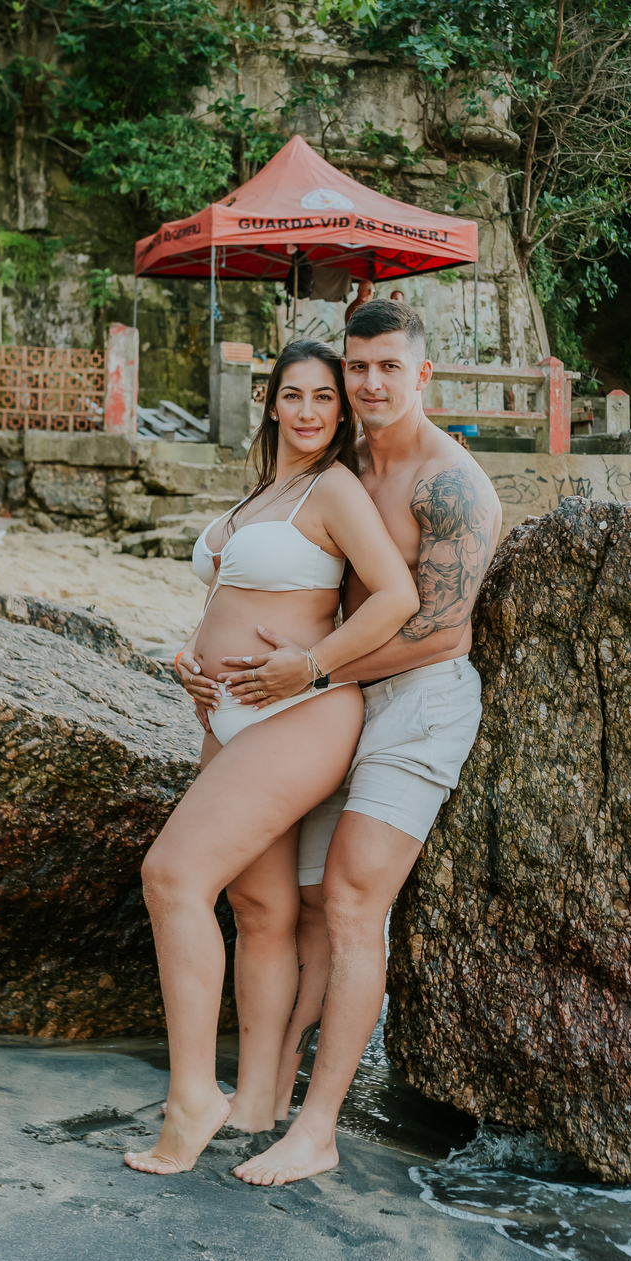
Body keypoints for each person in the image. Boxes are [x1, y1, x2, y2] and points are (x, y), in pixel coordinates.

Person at [186, 299, 501, 1185]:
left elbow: (442, 631)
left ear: (422, 375)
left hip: (416, 703)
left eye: (387, 369)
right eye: (357, 367)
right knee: (312, 902)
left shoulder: (454, 485)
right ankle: (270, 1091)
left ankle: (317, 1129)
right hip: (333, 702)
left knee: (358, 904)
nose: (367, 384)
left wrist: (316, 670)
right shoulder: (344, 462)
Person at [124, 339, 418, 1176]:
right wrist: (190, 656)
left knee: (173, 877)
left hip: (302, 712)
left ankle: (192, 1103)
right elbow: (230, 596)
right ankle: (255, 1100)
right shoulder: (265, 490)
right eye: (294, 395)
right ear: (270, 401)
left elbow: (396, 594)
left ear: (341, 408)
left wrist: (314, 664)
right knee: (263, 912)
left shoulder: (334, 488)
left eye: (326, 397)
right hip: (226, 718)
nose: (310, 411)